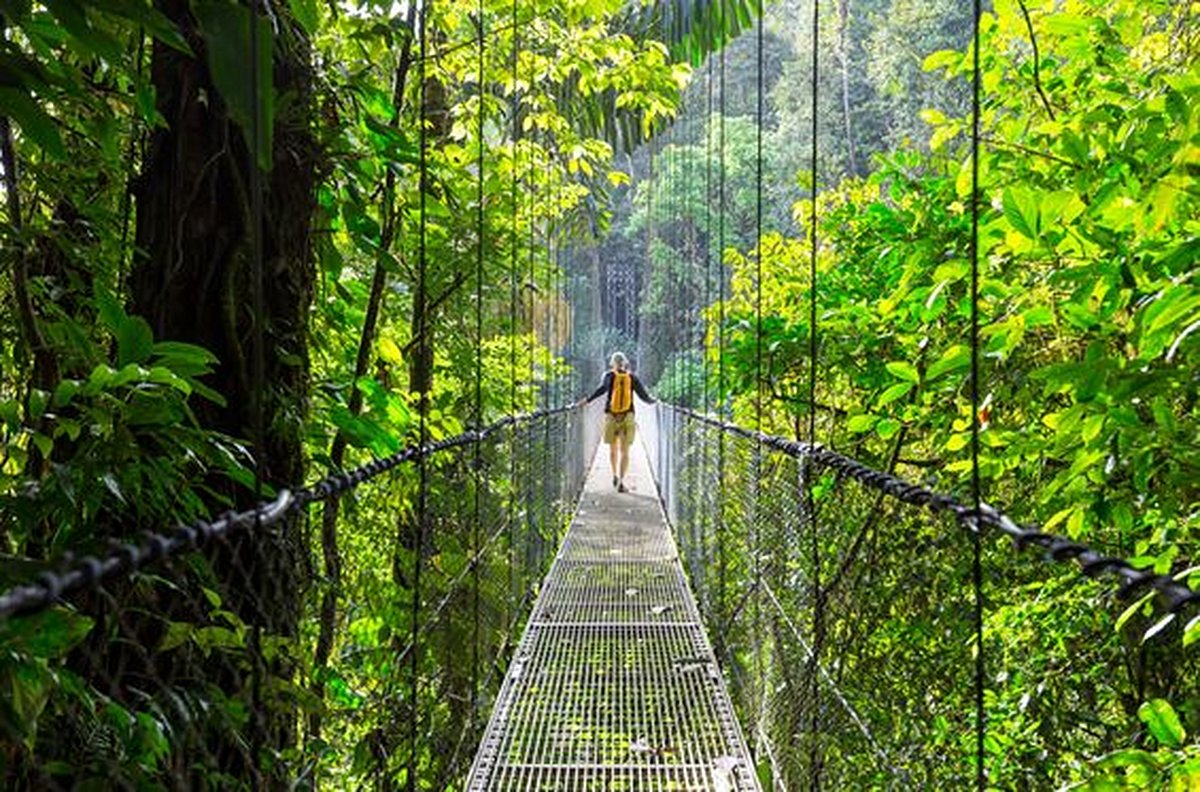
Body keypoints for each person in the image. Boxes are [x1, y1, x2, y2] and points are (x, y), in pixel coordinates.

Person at [577, 351, 654, 492]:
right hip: (627, 416)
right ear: (625, 363)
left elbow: (601, 390)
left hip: (611, 416)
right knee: (625, 451)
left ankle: (614, 475)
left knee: (613, 450)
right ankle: (622, 482)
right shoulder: (632, 377)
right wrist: (654, 401)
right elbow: (644, 396)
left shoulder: (609, 376)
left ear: (612, 363)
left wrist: (587, 400)